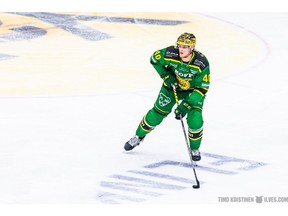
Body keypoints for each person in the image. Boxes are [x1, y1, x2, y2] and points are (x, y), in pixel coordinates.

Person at [124, 32, 210, 161]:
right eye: (180, 45)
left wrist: (186, 105)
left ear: (192, 48)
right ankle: (138, 136)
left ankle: (194, 148)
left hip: (192, 92)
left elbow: (202, 88)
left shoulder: (201, 63)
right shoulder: (170, 53)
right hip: (171, 87)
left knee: (195, 119)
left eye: (185, 47)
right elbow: (154, 59)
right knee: (157, 114)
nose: (181, 49)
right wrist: (166, 75)